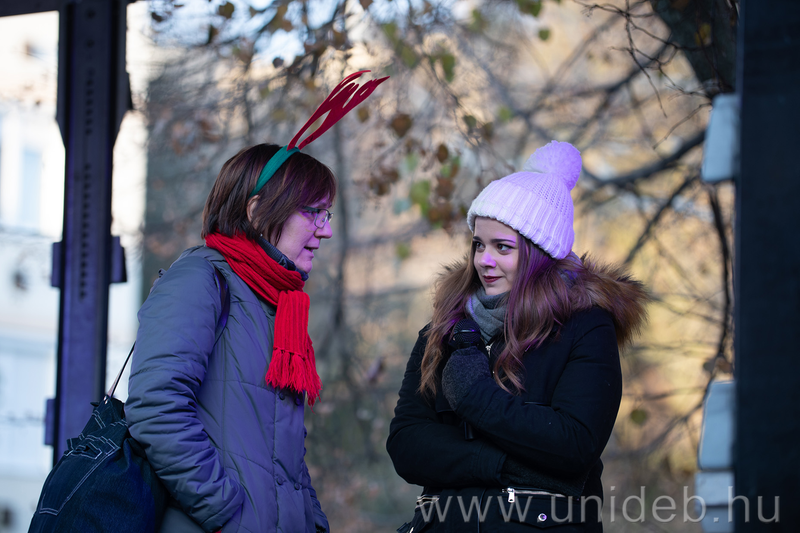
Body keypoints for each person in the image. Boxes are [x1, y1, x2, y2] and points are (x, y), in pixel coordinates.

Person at [387, 141, 650, 532]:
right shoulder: (444, 329)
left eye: (502, 247)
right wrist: (502, 464)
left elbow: (574, 444)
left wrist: (475, 397)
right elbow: (407, 445)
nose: (484, 260)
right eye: (479, 244)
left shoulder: (585, 327)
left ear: (539, 253)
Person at [125, 142, 335, 533]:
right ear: (256, 211)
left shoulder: (277, 305)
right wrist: (225, 513)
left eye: (327, 213)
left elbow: (284, 454)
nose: (326, 230)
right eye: (312, 212)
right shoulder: (200, 279)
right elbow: (156, 406)